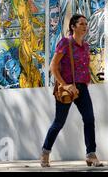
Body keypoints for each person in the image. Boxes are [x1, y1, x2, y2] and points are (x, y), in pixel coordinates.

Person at [41, 14, 103, 167]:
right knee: (59, 122)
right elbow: (53, 66)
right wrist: (65, 85)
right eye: (81, 23)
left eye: (86, 24)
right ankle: (45, 151)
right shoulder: (65, 43)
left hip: (82, 88)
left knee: (89, 119)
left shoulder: (86, 46)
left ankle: (91, 154)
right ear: (73, 26)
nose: (85, 26)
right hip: (66, 89)